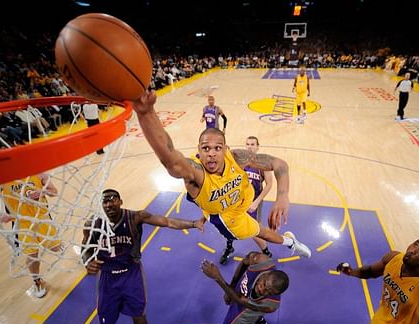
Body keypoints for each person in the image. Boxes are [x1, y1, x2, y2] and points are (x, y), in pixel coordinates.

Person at [132, 90, 311, 258]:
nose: (211, 153)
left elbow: (279, 163)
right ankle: (290, 242)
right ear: (199, 151)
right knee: (260, 231)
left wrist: (282, 196)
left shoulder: (236, 157)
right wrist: (146, 114)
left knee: (259, 227)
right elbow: (170, 158)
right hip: (229, 216)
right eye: (206, 148)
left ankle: (287, 242)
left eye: (218, 148)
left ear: (225, 149)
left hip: (244, 196)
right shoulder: (195, 174)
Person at [81, 189, 205, 324]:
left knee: (139, 319)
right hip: (107, 278)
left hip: (131, 275)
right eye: (105, 201)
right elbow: (86, 248)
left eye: (112, 199)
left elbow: (167, 221)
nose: (108, 204)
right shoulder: (93, 224)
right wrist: (87, 262)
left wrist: (194, 223)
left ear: (120, 202)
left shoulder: (135, 217)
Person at [337, 237, 419, 324]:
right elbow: (370, 272)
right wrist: (351, 272)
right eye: (416, 244)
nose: (413, 250)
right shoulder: (393, 258)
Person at [0, 173, 60, 298]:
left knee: (56, 248)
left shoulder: (39, 173)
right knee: (32, 254)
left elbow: (54, 191)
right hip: (21, 223)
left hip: (42, 218)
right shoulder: (1, 179)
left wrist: (42, 192)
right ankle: (37, 280)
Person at [201, 251, 289, 324]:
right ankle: (259, 318)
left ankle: (258, 317)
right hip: (246, 297)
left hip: (252, 308)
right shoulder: (260, 261)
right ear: (266, 273)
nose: (262, 290)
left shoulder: (272, 306)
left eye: (268, 292)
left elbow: (240, 301)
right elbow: (244, 262)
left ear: (274, 294)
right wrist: (233, 285)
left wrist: (217, 278)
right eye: (264, 284)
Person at [220, 136, 274, 265]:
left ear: (257, 147)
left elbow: (269, 184)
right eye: (248, 144)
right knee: (229, 226)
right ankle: (229, 247)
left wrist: (256, 202)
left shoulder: (263, 164)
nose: (249, 146)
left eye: (252, 144)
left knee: (255, 230)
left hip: (254, 202)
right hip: (237, 201)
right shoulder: (240, 162)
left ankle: (266, 252)